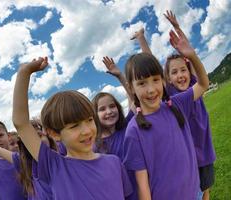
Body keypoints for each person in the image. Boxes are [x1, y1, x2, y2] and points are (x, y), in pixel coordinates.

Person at [12, 57, 133, 200]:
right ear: (54, 134)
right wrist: (24, 72)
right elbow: (21, 123)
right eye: (75, 126)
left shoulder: (114, 163)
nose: (87, 130)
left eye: (89, 120)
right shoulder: (54, 166)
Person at [123, 23, 209, 200]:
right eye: (141, 83)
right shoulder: (134, 131)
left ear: (163, 81)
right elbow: (142, 185)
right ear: (131, 89)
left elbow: (203, 84)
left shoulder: (177, 104)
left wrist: (191, 56)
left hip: (195, 194)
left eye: (155, 80)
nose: (151, 89)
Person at [163, 10, 215, 200]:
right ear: (168, 78)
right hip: (187, 156)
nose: (180, 75)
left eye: (183, 70)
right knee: (193, 192)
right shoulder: (172, 94)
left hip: (205, 151)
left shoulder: (195, 83)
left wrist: (177, 27)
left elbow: (189, 52)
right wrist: (143, 39)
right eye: (174, 72)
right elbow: (150, 60)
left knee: (206, 189)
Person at [0, 120, 57, 200]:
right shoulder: (21, 160)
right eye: (12, 144)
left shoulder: (58, 162)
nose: (36, 141)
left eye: (39, 136)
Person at [92, 56, 134, 159]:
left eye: (112, 106)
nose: (109, 111)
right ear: (94, 115)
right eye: (102, 109)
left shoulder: (127, 125)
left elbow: (134, 99)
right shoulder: (95, 145)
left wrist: (120, 76)